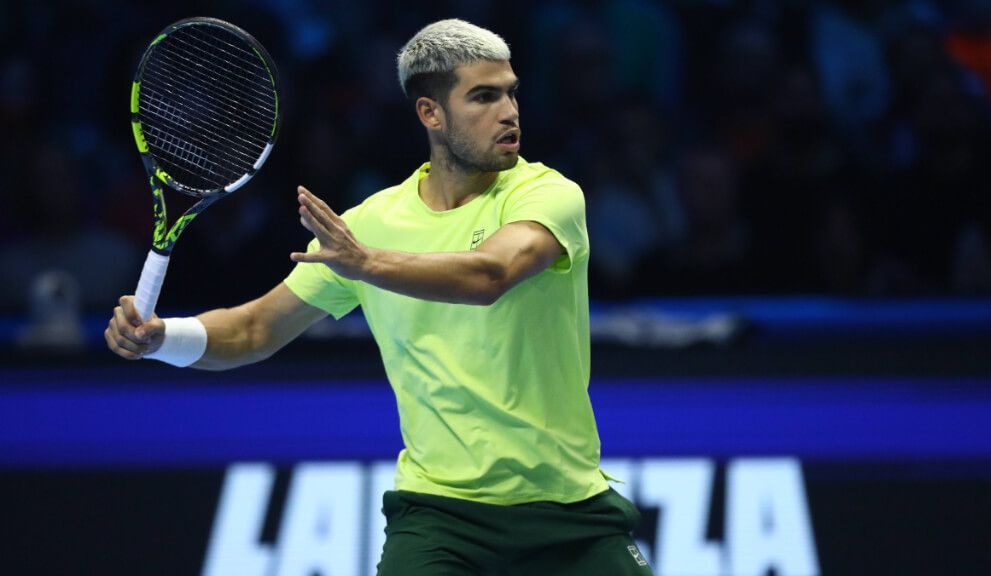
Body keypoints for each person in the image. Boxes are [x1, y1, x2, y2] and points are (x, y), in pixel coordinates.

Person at [105, 19, 654, 576]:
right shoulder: (369, 226)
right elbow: (255, 330)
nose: (509, 112)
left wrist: (367, 264)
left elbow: (491, 274)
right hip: (440, 519)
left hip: (571, 516)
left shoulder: (547, 194)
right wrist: (161, 338)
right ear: (430, 113)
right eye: (484, 97)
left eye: (511, 93)